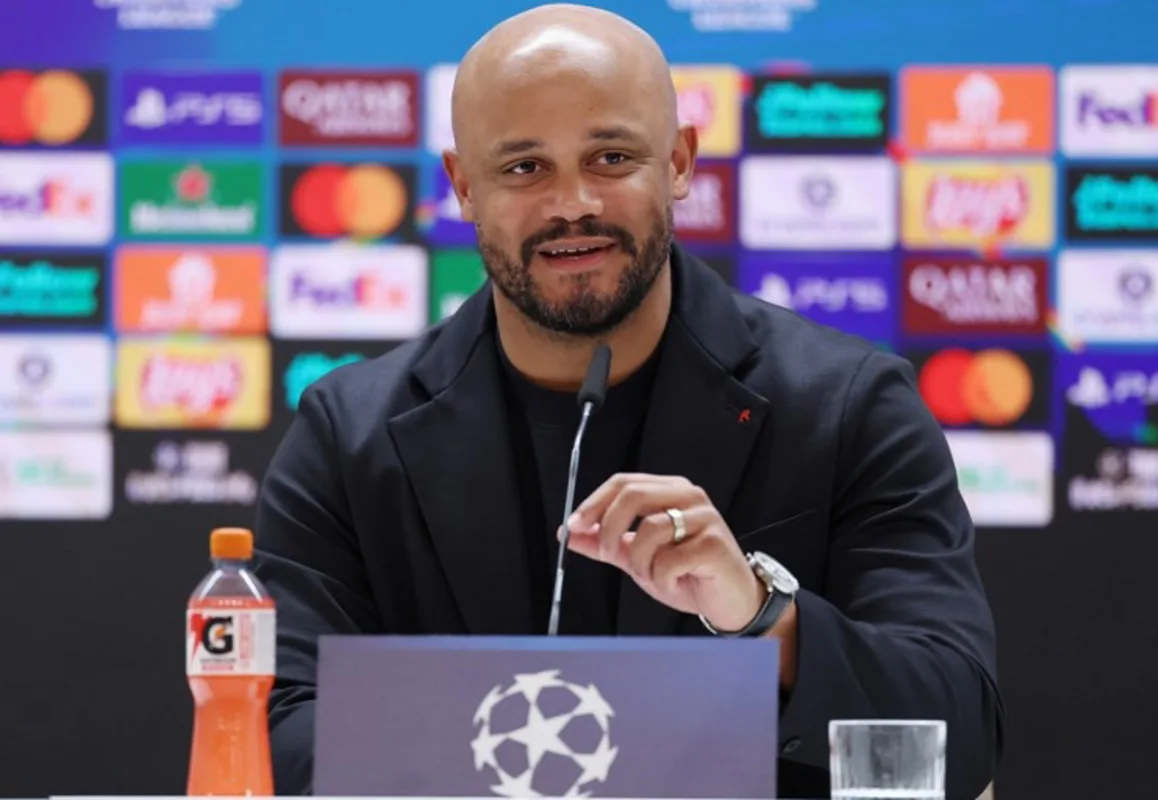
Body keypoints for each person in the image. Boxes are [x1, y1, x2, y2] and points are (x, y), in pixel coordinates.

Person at [253, 3, 1003, 797]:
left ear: (679, 162)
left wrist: (761, 617)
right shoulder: (349, 434)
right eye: (523, 168)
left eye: (611, 156)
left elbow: (956, 734)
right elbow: (268, 734)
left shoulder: (848, 405)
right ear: (463, 187)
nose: (572, 202)